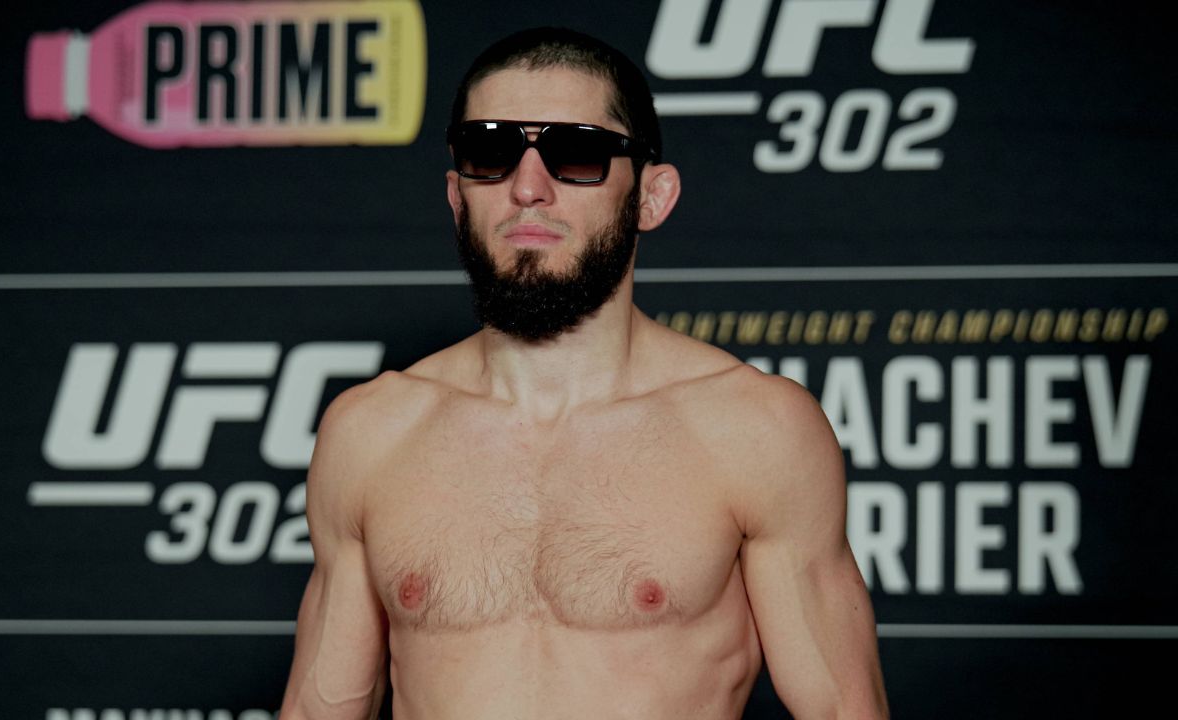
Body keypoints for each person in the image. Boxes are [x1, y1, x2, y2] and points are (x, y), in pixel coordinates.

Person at [278, 26, 888, 720]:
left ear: (652, 197)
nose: (528, 188)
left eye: (577, 155)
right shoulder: (372, 433)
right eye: (491, 151)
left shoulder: (755, 430)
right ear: (456, 196)